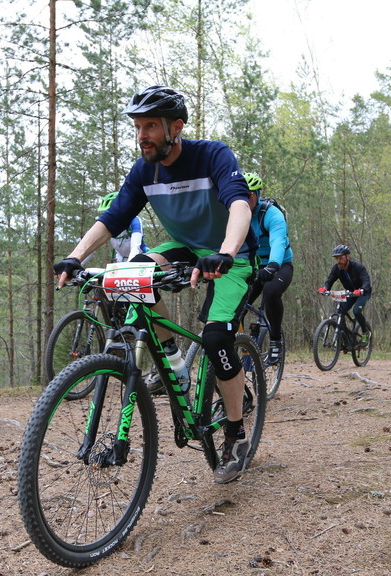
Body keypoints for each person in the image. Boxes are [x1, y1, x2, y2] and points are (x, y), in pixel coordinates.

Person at [52, 86, 257, 484]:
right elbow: (114, 217)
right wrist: (76, 257)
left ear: (175, 127)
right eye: (137, 126)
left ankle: (235, 432)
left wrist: (227, 252)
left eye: (150, 126)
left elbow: (237, 203)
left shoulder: (213, 154)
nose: (141, 134)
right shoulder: (145, 170)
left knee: (216, 340)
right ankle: (174, 363)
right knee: (126, 278)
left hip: (231, 256)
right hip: (182, 248)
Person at [243, 173, 293, 363]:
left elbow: (278, 241)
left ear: (256, 194)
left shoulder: (272, 214)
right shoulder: (235, 213)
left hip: (280, 264)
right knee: (235, 303)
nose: (244, 199)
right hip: (253, 266)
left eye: (248, 195)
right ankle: (236, 345)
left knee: (271, 292)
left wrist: (273, 265)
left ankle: (275, 341)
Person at [318, 245, 372, 342]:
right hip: (350, 294)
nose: (339, 261)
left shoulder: (358, 267)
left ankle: (365, 333)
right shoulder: (336, 269)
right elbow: (330, 281)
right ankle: (346, 339)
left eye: (341, 258)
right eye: (337, 258)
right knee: (339, 312)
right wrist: (325, 288)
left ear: (347, 257)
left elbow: (366, 281)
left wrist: (362, 290)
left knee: (356, 311)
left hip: (363, 293)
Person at [98, 192, 148, 262]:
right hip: (120, 259)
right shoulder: (107, 224)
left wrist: (128, 267)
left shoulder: (134, 221)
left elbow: (135, 248)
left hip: (139, 258)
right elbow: (90, 248)